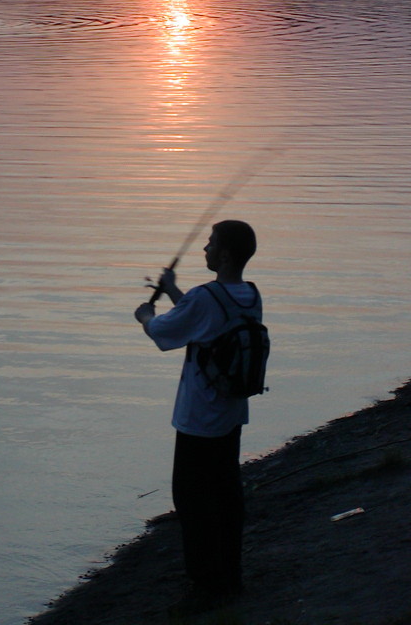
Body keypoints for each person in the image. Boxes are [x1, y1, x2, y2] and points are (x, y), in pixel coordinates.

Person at [134, 220, 262, 615]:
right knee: (226, 494)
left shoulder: (207, 297)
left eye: (210, 244)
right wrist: (173, 290)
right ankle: (229, 574)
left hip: (198, 418)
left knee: (193, 500)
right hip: (231, 414)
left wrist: (145, 315)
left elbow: (163, 333)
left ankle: (206, 584)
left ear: (223, 254)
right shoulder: (249, 295)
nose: (204, 249)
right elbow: (204, 320)